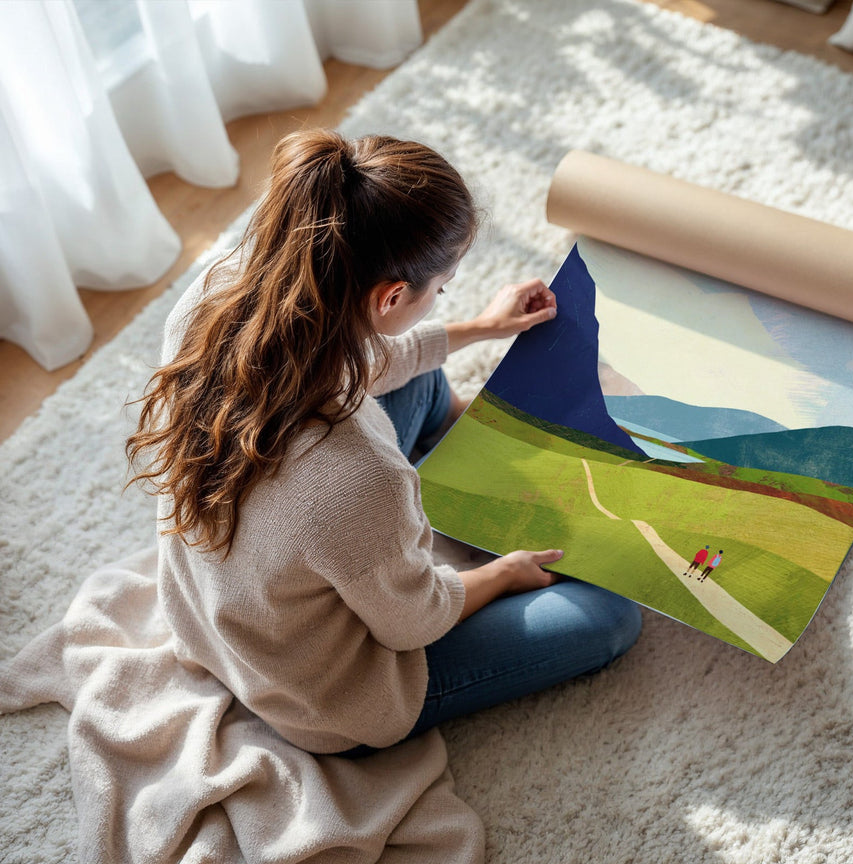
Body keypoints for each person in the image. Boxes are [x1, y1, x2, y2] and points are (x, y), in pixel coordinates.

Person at [126, 129, 641, 758]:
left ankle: (468, 469)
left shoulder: (221, 289)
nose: (442, 299)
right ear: (392, 295)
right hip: (321, 694)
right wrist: (503, 573)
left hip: (217, 611)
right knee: (610, 617)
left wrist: (482, 326)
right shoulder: (359, 476)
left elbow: (368, 358)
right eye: (441, 289)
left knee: (420, 377)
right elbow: (413, 622)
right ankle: (465, 503)